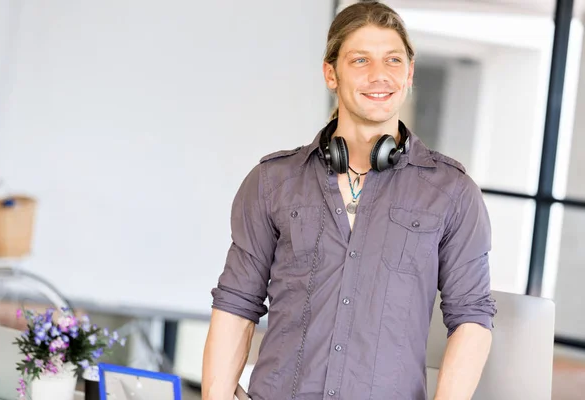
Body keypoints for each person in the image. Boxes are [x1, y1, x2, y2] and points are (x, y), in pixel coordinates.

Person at [202, 2, 497, 399]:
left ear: (409, 74)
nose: (380, 75)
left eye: (393, 60)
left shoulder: (453, 193)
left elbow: (471, 319)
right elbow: (236, 304)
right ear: (331, 73)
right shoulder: (272, 181)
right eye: (360, 60)